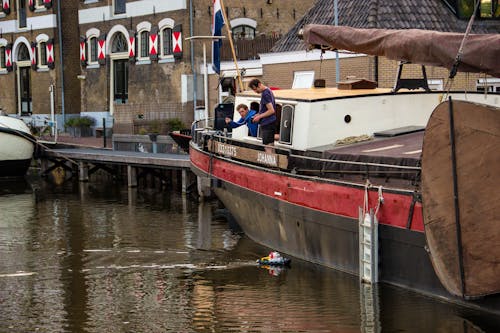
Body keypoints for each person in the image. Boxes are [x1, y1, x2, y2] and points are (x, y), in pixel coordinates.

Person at [248, 79, 276, 150]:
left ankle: (269, 161)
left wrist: (259, 116)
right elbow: (267, 109)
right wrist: (258, 114)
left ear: (259, 84)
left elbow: (271, 110)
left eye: (255, 89)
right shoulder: (268, 90)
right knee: (271, 145)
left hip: (267, 123)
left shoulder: (265, 94)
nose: (255, 91)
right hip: (271, 122)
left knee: (268, 147)